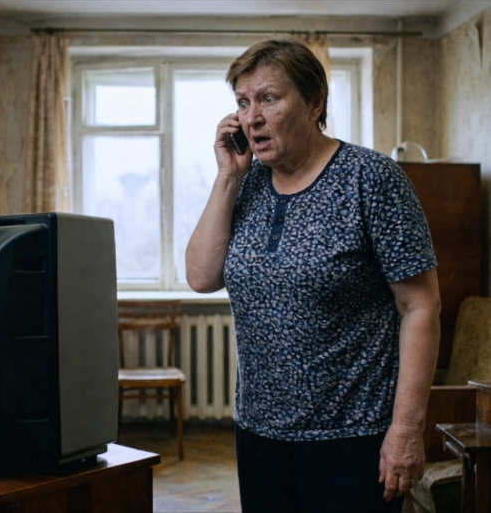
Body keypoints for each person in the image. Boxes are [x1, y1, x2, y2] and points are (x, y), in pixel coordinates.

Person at [185, 36, 441, 513]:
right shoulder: (246, 181)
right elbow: (201, 277)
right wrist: (227, 177)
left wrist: (406, 429)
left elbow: (420, 306)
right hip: (260, 431)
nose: (251, 117)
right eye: (242, 102)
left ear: (315, 102)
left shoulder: (371, 179)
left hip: (353, 436)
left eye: (268, 98)